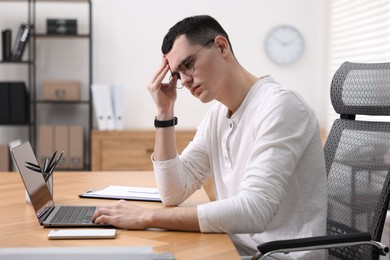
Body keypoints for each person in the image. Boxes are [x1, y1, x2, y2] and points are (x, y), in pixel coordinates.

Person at [92, 15, 327, 259]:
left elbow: (255, 210)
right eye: (177, 74)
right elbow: (173, 192)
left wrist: (145, 216)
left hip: (276, 256)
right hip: (233, 248)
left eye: (188, 64)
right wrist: (164, 113)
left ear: (221, 46)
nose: (184, 80)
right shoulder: (217, 115)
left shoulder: (280, 106)